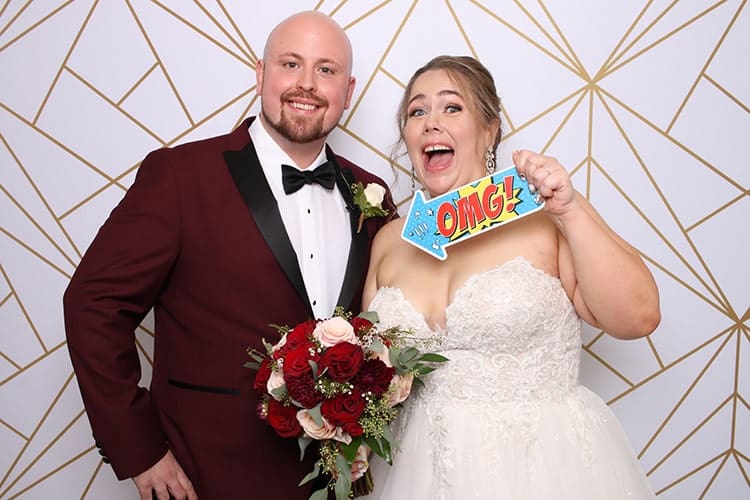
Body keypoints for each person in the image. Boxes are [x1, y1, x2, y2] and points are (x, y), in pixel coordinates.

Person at [63, 11, 396, 500]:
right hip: (206, 476)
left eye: (326, 70)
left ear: (347, 92)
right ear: (261, 74)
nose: (306, 84)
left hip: (330, 482)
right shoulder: (179, 177)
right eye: (290, 64)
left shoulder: (372, 194)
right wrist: (140, 450)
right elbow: (92, 305)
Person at [361, 55, 660, 499]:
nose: (430, 123)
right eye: (416, 111)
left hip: (541, 470)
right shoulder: (390, 240)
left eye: (451, 107)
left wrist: (570, 211)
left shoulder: (547, 216)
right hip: (419, 475)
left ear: (490, 129)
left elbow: (638, 318)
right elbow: (372, 375)